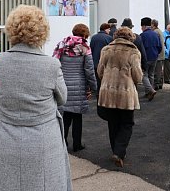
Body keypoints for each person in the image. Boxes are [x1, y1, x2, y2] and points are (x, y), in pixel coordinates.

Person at [0, 5, 72, 191]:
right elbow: (63, 98)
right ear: (42, 31)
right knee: (45, 190)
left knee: (6, 189)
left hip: (6, 136)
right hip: (43, 139)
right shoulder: (51, 64)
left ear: (12, 29)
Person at [97, 27, 143, 168]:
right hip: (125, 93)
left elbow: (100, 71)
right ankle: (119, 151)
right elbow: (138, 76)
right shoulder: (133, 51)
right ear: (130, 37)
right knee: (127, 123)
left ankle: (115, 150)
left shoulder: (106, 49)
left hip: (108, 92)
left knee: (113, 123)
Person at [53, 23, 97, 152]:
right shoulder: (85, 48)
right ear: (85, 35)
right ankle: (77, 144)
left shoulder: (61, 45)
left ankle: (63, 142)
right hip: (79, 86)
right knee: (77, 117)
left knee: (65, 115)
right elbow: (89, 70)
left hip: (63, 84)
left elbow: (55, 64)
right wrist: (93, 87)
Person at [140, 17, 162, 101]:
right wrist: (156, 54)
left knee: (144, 74)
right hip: (154, 57)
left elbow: (141, 48)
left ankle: (150, 90)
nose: (141, 28)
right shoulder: (155, 34)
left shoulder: (143, 35)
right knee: (151, 74)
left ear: (144, 26)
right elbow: (159, 46)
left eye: (141, 26)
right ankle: (148, 92)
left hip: (146, 58)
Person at [90, 23, 113, 91]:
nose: (109, 31)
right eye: (109, 29)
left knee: (98, 82)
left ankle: (98, 96)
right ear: (105, 29)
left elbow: (91, 49)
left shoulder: (94, 37)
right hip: (105, 64)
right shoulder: (109, 38)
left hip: (95, 63)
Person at [152, 19, 165, 90]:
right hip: (162, 54)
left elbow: (156, 43)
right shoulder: (160, 31)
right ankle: (160, 83)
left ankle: (157, 84)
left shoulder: (155, 32)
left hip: (158, 54)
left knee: (157, 70)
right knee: (160, 69)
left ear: (153, 25)